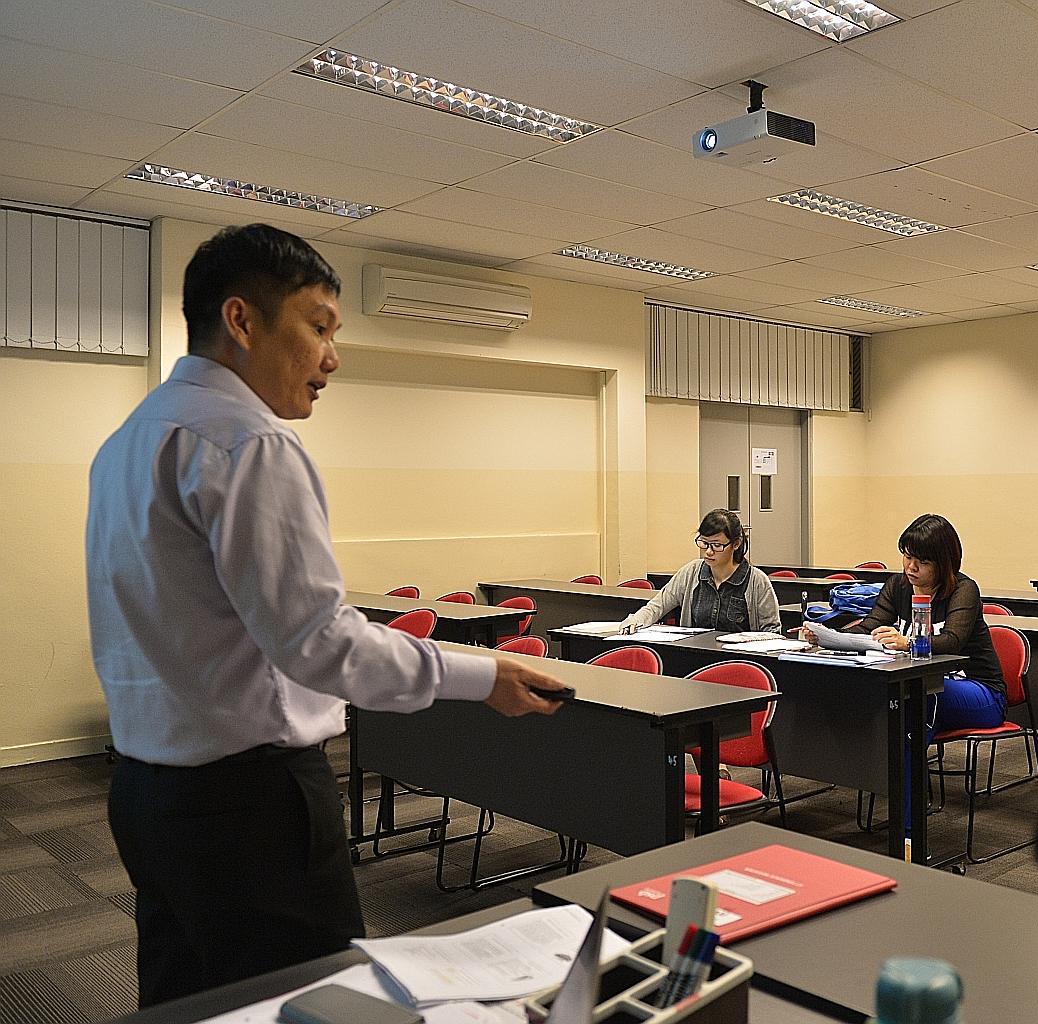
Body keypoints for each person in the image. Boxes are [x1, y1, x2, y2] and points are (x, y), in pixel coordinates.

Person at [85, 224, 567, 1008]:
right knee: (317, 1005)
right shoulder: (247, 443)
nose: (331, 359)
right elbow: (317, 643)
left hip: (148, 793)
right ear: (242, 322)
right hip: (249, 807)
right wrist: (485, 674)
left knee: (190, 1003)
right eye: (318, 327)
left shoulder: (130, 439)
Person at [834, 513, 1005, 733]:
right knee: (894, 693)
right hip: (923, 682)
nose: (911, 567)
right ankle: (881, 765)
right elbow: (870, 627)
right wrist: (828, 636)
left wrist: (908, 642)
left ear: (944, 563)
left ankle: (905, 767)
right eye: (907, 557)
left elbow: (952, 641)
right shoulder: (898, 585)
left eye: (923, 562)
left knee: (920, 695)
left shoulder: (964, 590)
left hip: (981, 690)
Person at [620, 509, 782, 634]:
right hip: (696, 657)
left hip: (741, 662)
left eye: (717, 545)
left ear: (736, 544)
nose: (708, 552)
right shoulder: (691, 572)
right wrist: (635, 620)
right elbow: (657, 606)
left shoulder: (756, 581)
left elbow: (772, 631)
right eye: (704, 543)